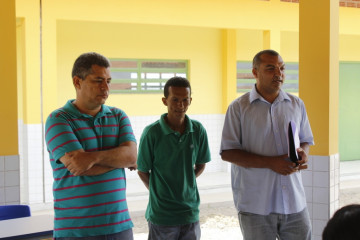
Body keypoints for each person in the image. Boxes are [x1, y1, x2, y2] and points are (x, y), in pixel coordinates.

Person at [220, 49, 314, 240]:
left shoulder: (297, 104)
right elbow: (228, 153)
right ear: (255, 72)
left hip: (294, 202)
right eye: (271, 68)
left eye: (281, 68)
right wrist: (271, 163)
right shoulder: (239, 108)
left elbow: (305, 140)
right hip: (256, 206)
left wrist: (303, 153)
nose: (278, 74)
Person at [45, 52, 137, 239]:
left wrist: (93, 157)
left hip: (119, 226)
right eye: (98, 81)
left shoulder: (118, 116)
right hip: (76, 230)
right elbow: (78, 166)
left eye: (108, 81)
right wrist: (116, 160)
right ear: (77, 82)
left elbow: (132, 157)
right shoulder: (58, 119)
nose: (105, 87)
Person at [137, 76, 211, 240]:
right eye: (175, 99)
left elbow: (201, 164)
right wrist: (159, 191)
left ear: (191, 100)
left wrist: (184, 182)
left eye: (185, 100)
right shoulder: (152, 133)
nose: (181, 105)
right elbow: (142, 171)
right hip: (162, 216)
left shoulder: (198, 130)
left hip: (190, 213)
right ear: (165, 101)